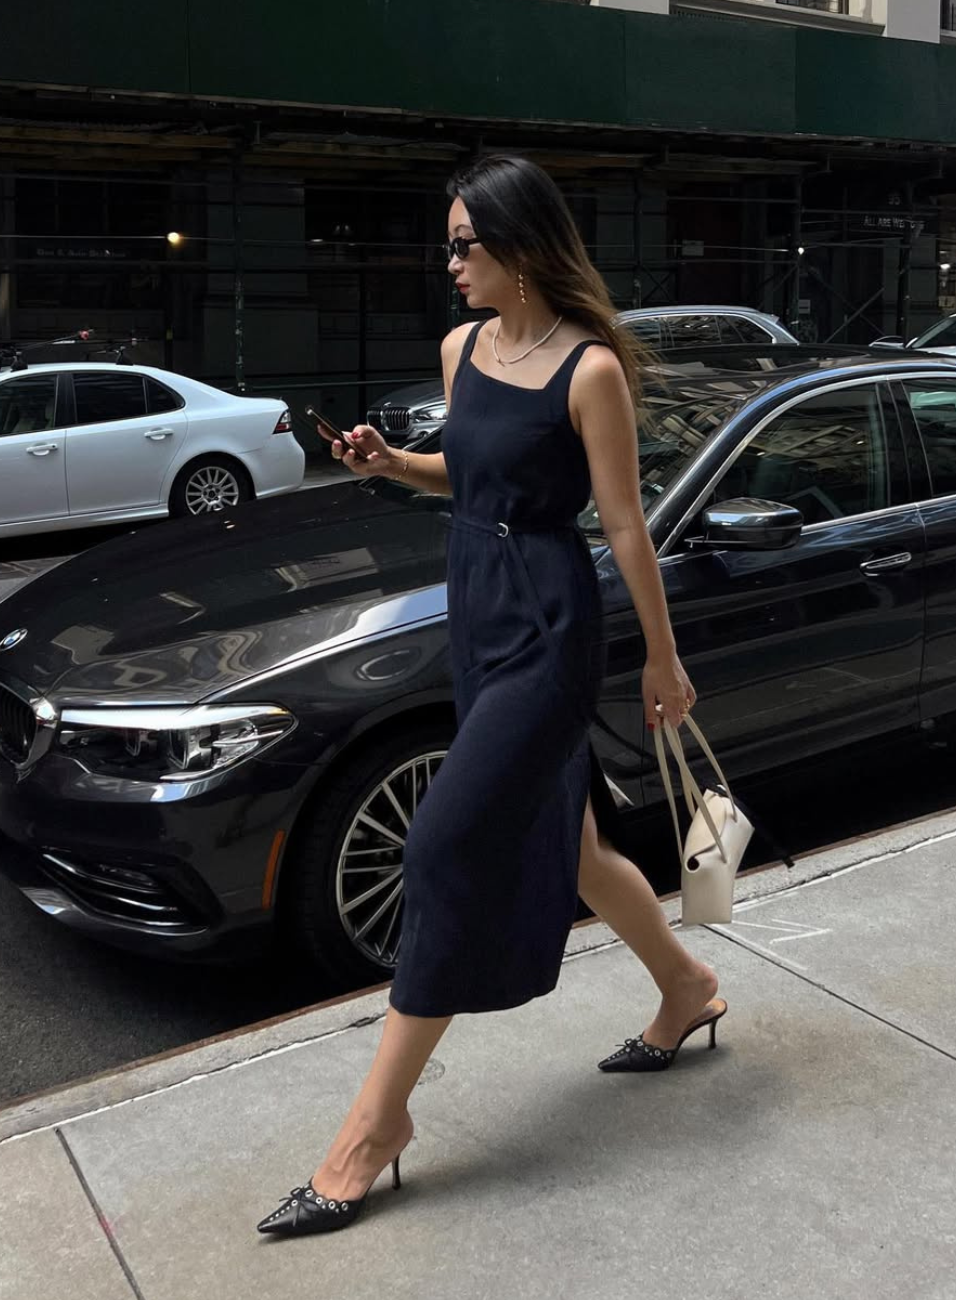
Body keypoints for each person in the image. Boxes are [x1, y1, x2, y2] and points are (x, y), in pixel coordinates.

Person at [257, 155, 726, 1238]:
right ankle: (686, 984)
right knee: (569, 848)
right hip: (478, 605)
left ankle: (373, 1127)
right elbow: (468, 475)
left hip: (552, 625)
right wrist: (390, 463)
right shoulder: (462, 347)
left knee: (442, 848)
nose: (452, 260)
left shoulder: (589, 370)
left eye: (467, 242)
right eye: (451, 241)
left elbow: (619, 525)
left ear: (520, 245)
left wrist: (661, 658)